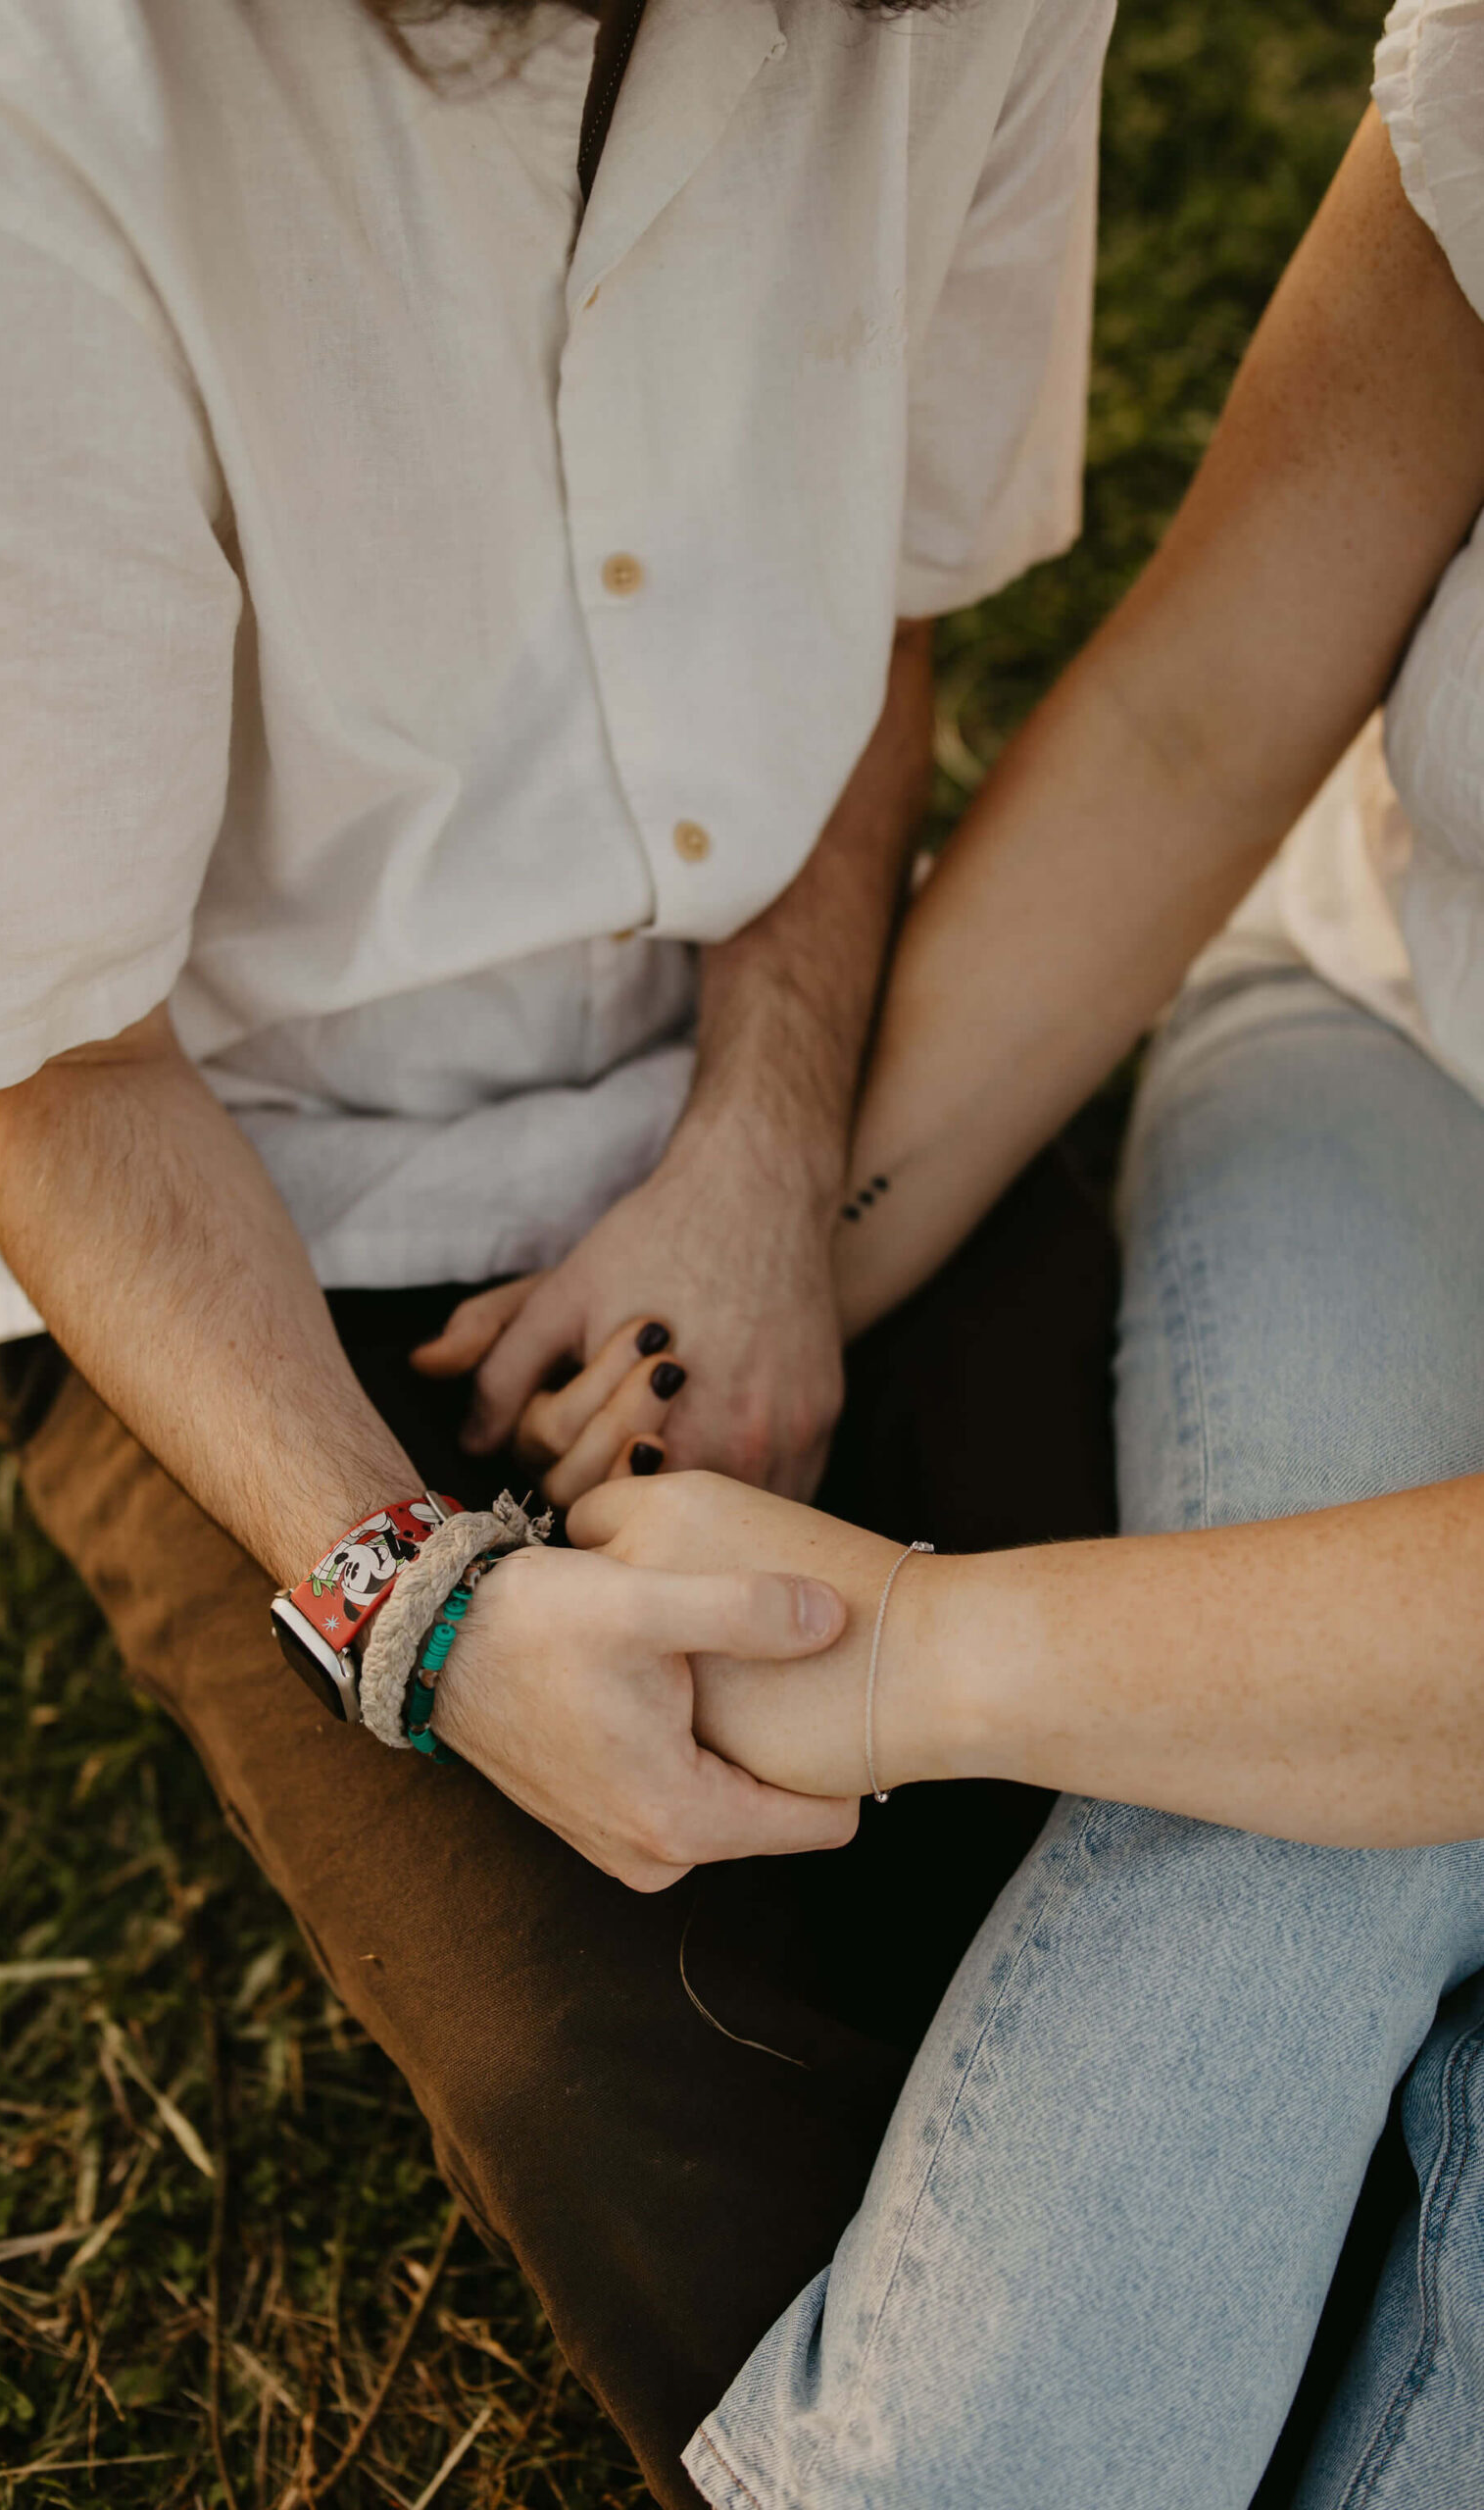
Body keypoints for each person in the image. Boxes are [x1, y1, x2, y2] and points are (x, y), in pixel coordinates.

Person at [0, 1, 1123, 2497]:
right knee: (663, 2116)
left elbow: (875, 615)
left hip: (790, 1051)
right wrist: (427, 1604)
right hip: (239, 1192)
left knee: (1211, 1786)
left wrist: (760, 1146)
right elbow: (47, 1066)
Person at [502, 9, 1484, 2500]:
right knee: (1285, 1843)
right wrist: (759, 1245)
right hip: (1408, 1056)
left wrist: (909, 1660)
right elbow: (1199, 703)